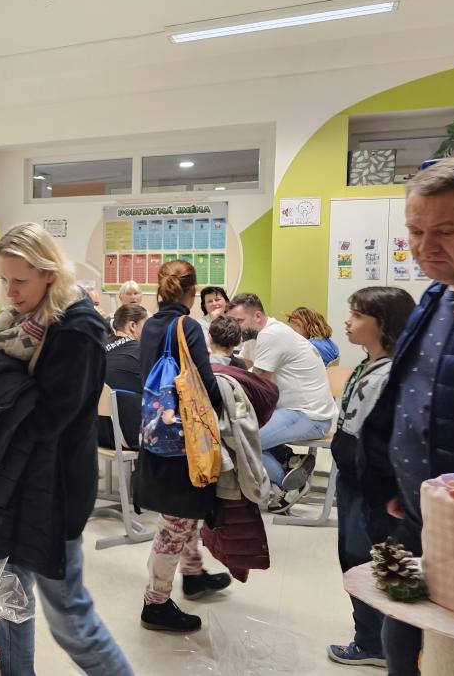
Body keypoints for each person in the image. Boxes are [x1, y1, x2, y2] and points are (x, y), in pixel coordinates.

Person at [0, 222, 132, 675]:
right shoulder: (27, 321)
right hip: (17, 482)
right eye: (4, 279)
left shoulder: (75, 329)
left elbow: (48, 419)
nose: (10, 292)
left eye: (20, 280)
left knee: (70, 619)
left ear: (49, 274)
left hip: (53, 490)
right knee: (10, 602)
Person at [360, 153, 454, 676]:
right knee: (400, 641)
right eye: (414, 231)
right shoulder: (434, 296)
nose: (425, 247)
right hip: (415, 518)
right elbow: (409, 397)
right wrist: (393, 479)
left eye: (447, 231)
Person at [137, 260, 231, 633]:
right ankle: (155, 603)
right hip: (184, 441)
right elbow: (204, 383)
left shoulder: (148, 326)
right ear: (192, 292)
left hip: (156, 433)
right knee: (176, 521)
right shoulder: (187, 326)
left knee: (184, 512)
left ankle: (192, 573)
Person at [326, 287, 415, 669]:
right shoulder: (367, 364)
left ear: (385, 325)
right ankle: (373, 637)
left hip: (372, 486)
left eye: (359, 315)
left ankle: (377, 643)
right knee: (354, 555)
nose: (348, 322)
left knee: (370, 559)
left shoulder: (390, 374)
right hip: (353, 479)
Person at [227, 292, 337, 512]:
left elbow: (259, 385)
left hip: (308, 415)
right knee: (242, 428)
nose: (235, 327)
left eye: (239, 321)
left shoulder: (271, 335)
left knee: (241, 440)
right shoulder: (268, 332)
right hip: (301, 410)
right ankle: (289, 459)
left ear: (257, 316)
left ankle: (289, 483)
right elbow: (253, 373)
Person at [99, 303, 148, 449]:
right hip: (129, 436)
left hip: (99, 434)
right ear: (132, 326)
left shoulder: (99, 349)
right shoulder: (141, 350)